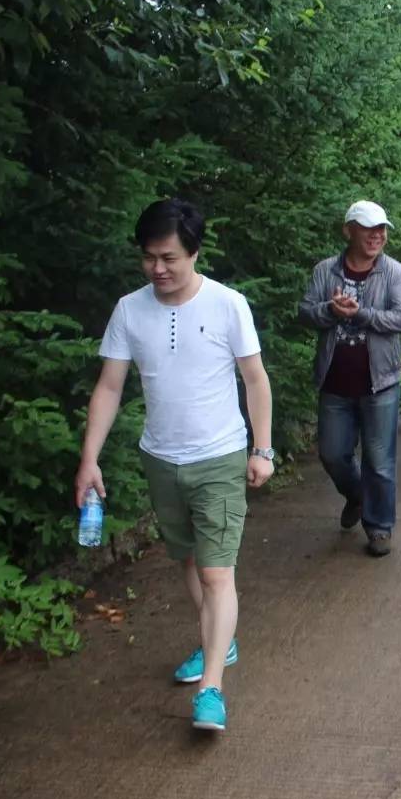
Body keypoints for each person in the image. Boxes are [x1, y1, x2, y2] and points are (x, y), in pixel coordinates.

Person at [75, 198, 274, 732]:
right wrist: (89, 459)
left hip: (219, 456)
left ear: (194, 252)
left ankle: (211, 687)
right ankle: (220, 642)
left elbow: (255, 379)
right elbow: (110, 386)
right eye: (148, 258)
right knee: (186, 561)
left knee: (216, 573)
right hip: (160, 458)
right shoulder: (129, 309)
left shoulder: (228, 305)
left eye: (169, 258)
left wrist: (263, 448)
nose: (158, 269)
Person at [299, 200, 401, 556]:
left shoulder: (393, 272)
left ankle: (379, 526)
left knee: (379, 461)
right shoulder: (325, 271)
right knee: (333, 455)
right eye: (369, 228)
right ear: (349, 229)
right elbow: (305, 313)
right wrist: (329, 311)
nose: (377, 235)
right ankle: (357, 496)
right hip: (335, 381)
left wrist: (362, 314)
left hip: (379, 382)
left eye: (382, 229)